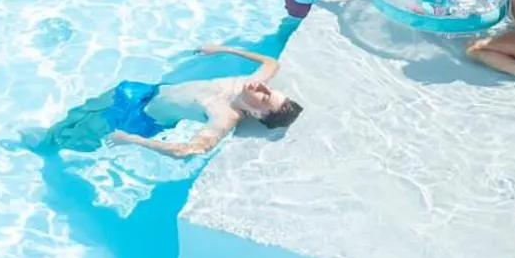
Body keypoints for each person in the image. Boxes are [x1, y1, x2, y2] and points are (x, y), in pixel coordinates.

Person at [21, 45, 303, 157]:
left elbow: (189, 151)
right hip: (148, 91)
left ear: (256, 113)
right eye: (269, 89)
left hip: (141, 119)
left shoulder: (225, 117)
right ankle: (48, 135)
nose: (264, 89)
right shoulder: (248, 85)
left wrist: (133, 139)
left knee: (84, 133)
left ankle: (48, 149)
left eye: (265, 98)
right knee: (84, 108)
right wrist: (221, 49)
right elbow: (271, 62)